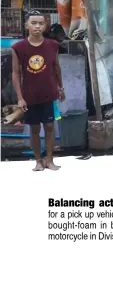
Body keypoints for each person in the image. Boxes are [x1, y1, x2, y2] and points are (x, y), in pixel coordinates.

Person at [11, 10, 65, 171]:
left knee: (50, 126)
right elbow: (16, 73)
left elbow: (56, 67)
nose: (37, 26)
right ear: (26, 25)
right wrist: (20, 97)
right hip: (29, 96)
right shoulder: (18, 47)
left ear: (45, 26)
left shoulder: (53, 45)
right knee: (34, 128)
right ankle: (38, 161)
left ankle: (50, 160)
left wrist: (60, 87)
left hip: (49, 94)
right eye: (33, 23)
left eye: (41, 23)